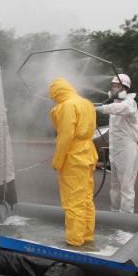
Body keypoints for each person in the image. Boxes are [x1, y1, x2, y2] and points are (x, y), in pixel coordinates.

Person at [49, 78, 98, 246]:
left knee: (73, 201)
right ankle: (87, 236)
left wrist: (57, 161)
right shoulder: (87, 103)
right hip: (88, 152)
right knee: (86, 198)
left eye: (53, 96)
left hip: (74, 156)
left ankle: (75, 241)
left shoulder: (67, 106)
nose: (53, 99)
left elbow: (66, 136)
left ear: (57, 92)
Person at [96, 73, 138, 213]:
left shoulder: (129, 103)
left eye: (118, 86)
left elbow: (121, 109)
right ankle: (115, 216)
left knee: (126, 187)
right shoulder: (114, 104)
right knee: (114, 187)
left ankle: (126, 222)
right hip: (115, 150)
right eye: (113, 85)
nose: (114, 88)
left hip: (127, 149)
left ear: (125, 88)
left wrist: (100, 109)